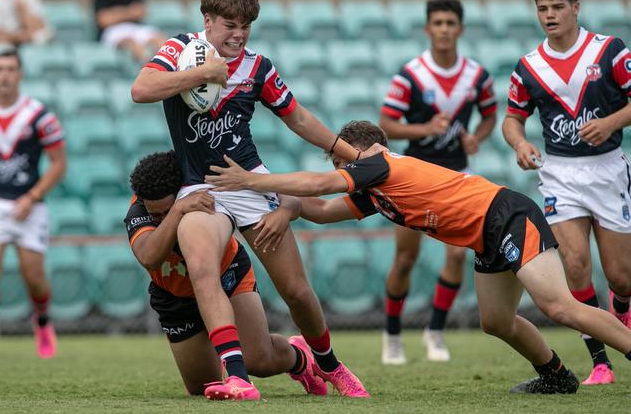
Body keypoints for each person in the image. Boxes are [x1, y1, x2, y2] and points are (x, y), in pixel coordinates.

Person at [205, 119, 631, 394]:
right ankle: (556, 376)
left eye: (342, 160)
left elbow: (319, 186)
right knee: (496, 321)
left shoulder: (380, 165)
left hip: (508, 216)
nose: (342, 170)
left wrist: (252, 179)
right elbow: (320, 210)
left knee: (558, 305)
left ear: (363, 151)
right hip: (488, 236)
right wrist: (277, 200)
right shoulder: (377, 191)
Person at [131, 0, 370, 398]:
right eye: (229, 24)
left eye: (246, 25)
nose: (238, 34)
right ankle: (238, 377)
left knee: (295, 290)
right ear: (207, 20)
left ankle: (330, 364)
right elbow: (141, 90)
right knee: (204, 268)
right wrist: (204, 73)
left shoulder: (259, 68)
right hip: (198, 188)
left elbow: (297, 118)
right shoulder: (179, 50)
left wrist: (348, 151)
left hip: (249, 184)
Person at [502, 0, 631, 386]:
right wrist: (519, 144)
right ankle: (601, 363)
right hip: (560, 173)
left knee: (620, 275)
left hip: (608, 168)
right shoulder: (529, 66)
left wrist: (609, 121)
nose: (550, 15)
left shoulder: (609, 50)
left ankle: (622, 311)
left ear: (576, 8)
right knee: (575, 266)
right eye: (543, 8)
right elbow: (511, 119)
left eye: (558, 7)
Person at [125, 150, 327, 400]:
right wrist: (177, 211)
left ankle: (300, 358)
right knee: (201, 388)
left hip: (227, 275)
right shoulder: (141, 207)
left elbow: (288, 197)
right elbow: (149, 257)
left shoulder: (203, 186)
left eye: (166, 211)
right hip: (174, 296)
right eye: (156, 216)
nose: (160, 218)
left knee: (258, 361)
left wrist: (285, 210)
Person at [379, 0, 497, 364]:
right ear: (428, 28)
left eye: (450, 23)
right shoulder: (411, 74)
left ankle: (435, 331)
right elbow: (387, 124)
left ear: (460, 29)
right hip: (412, 176)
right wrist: (425, 128)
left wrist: (479, 136)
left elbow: (491, 114)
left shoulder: (476, 76)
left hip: (456, 176)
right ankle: (393, 335)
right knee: (405, 258)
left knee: (457, 257)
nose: (444, 29)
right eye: (438, 23)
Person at [0, 49, 66, 361]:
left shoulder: (38, 116)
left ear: (20, 74)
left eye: (10, 69)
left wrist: (31, 197)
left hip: (30, 204)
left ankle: (42, 320)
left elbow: (59, 164)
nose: (4, 75)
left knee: (33, 275)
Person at [93, 0, 166, 62]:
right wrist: (129, 12)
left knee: (156, 37)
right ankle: (148, 67)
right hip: (113, 32)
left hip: (134, 28)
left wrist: (116, 13)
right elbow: (104, 21)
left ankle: (169, 65)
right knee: (130, 41)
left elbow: (142, 11)